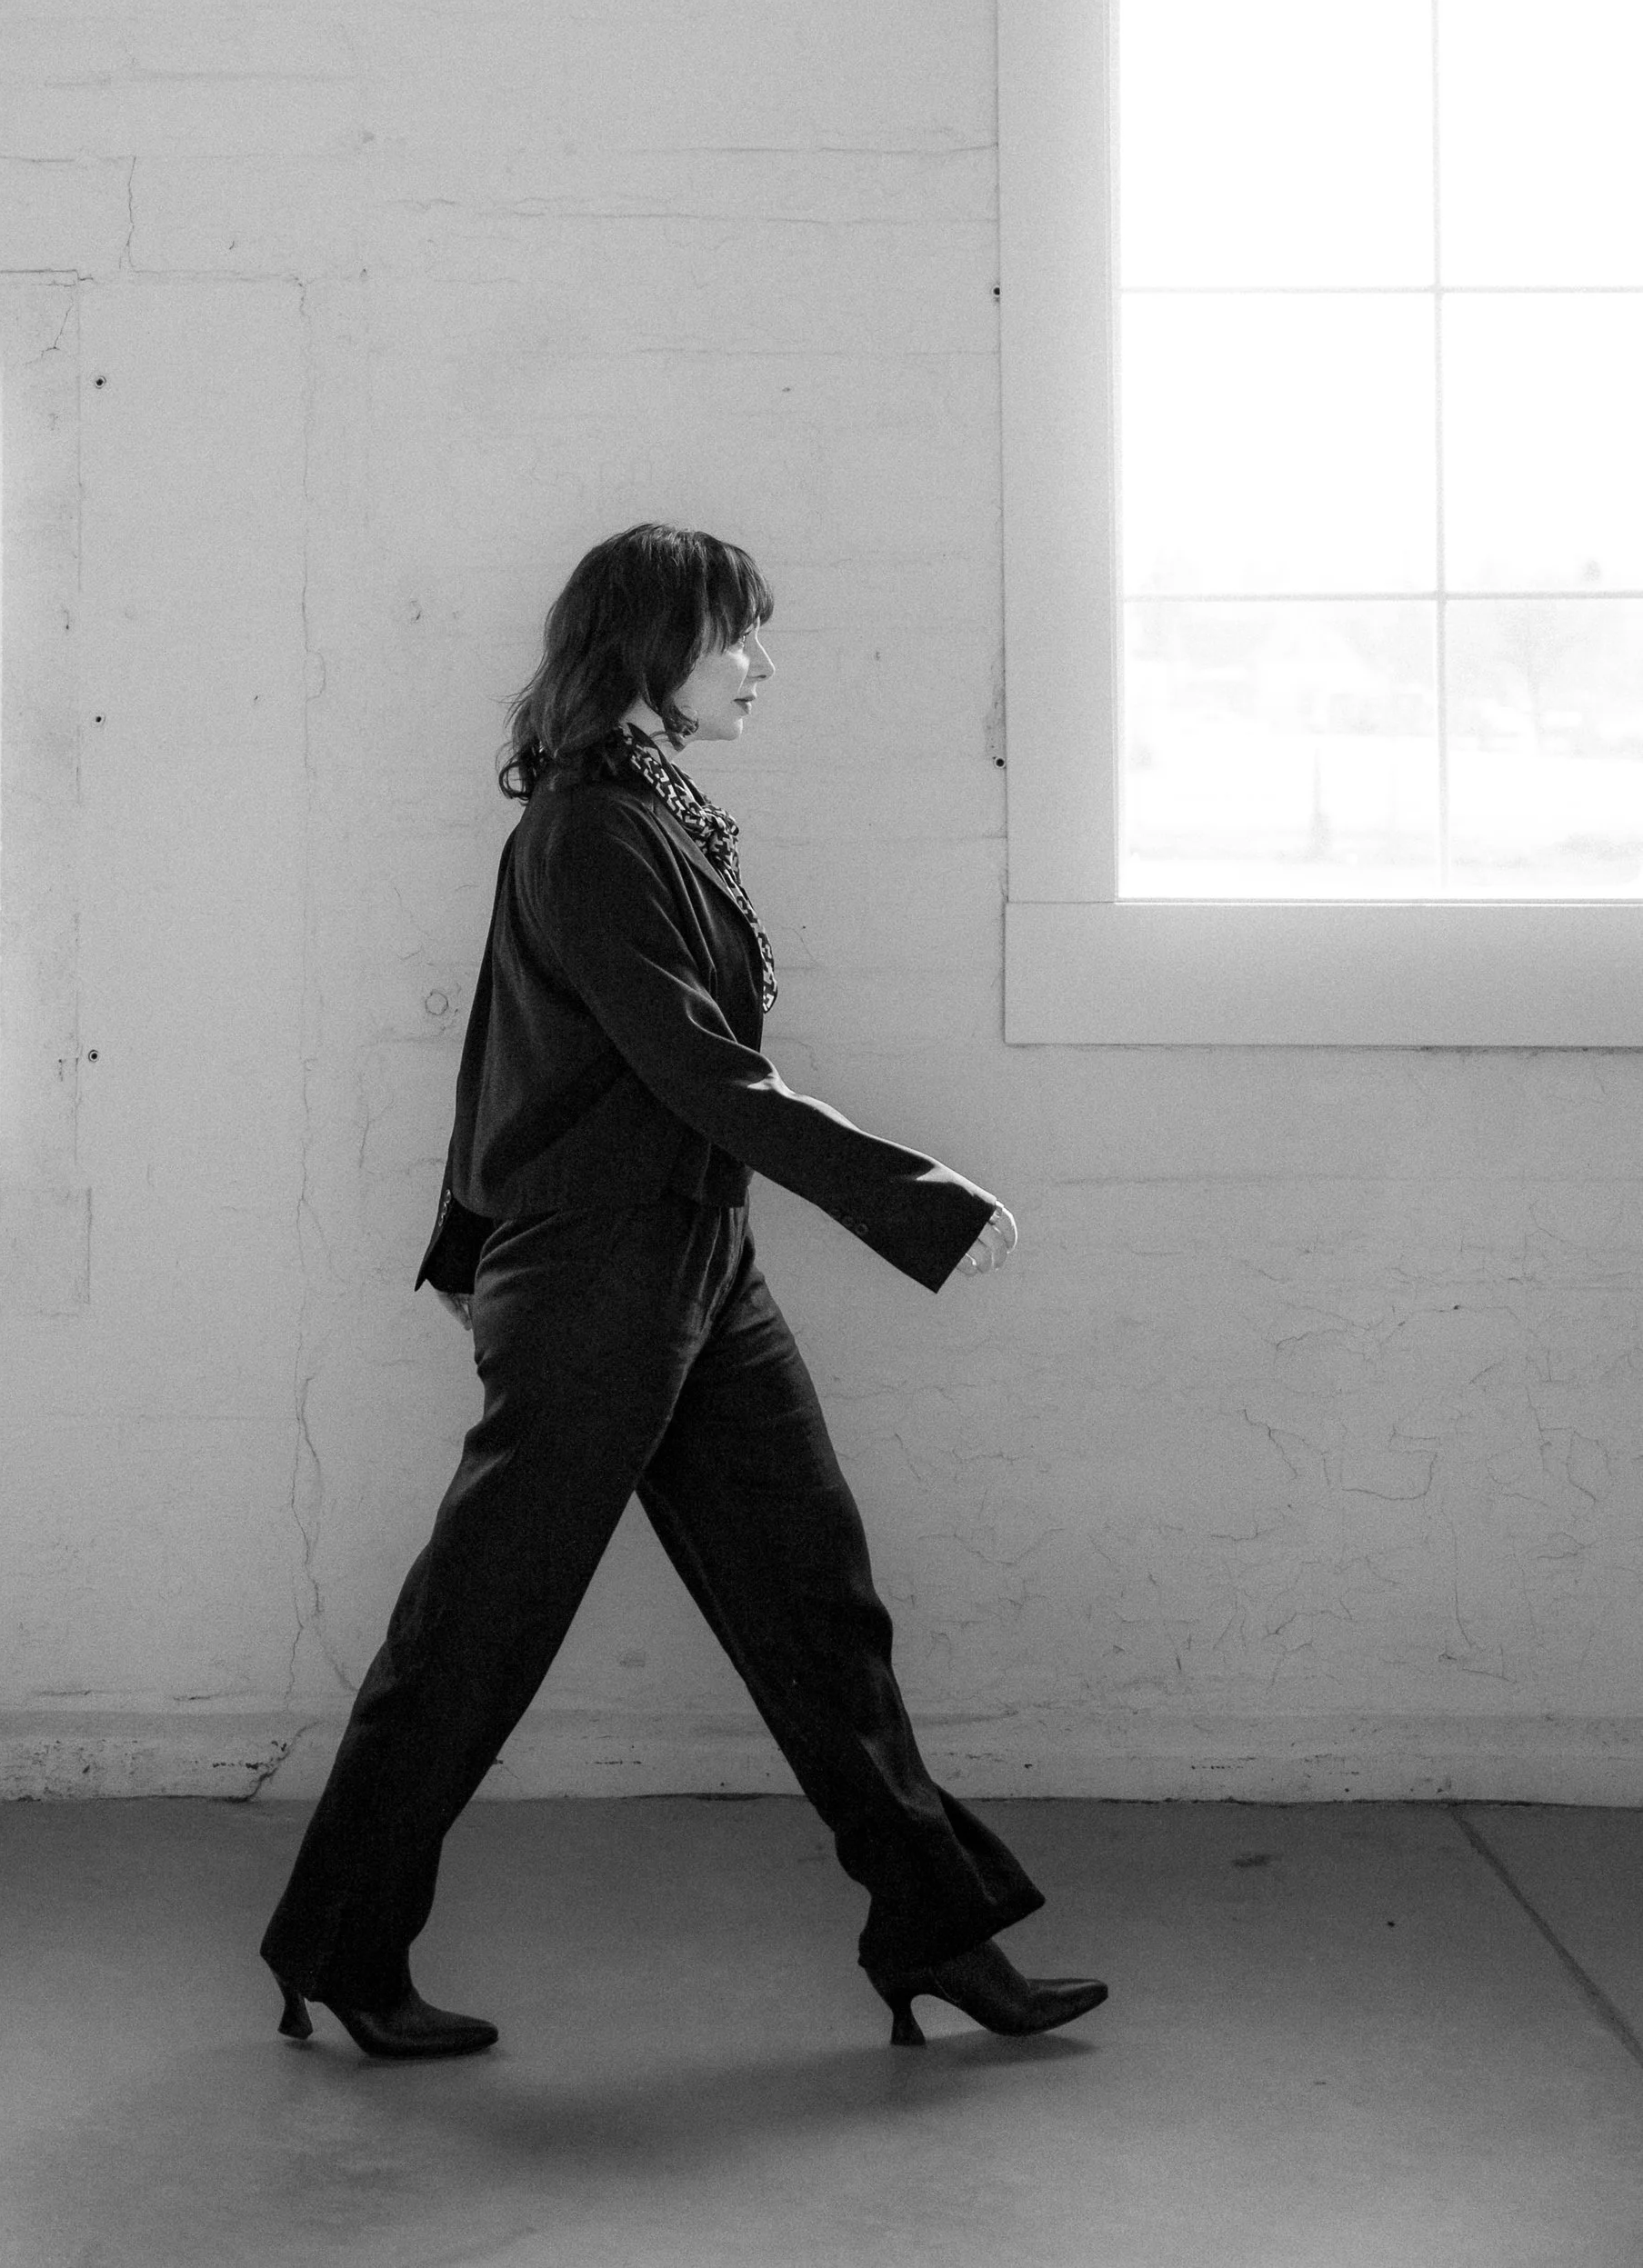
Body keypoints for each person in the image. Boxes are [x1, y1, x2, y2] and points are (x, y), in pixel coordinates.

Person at [260, 524, 1107, 2061]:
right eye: (737, 637)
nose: (761, 665)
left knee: (818, 1607)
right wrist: (912, 1196)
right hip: (599, 1280)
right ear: (653, 648)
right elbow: (695, 1068)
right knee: (478, 1630)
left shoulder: (651, 809)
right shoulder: (590, 829)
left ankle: (939, 1931)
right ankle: (341, 1946)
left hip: (692, 1261)